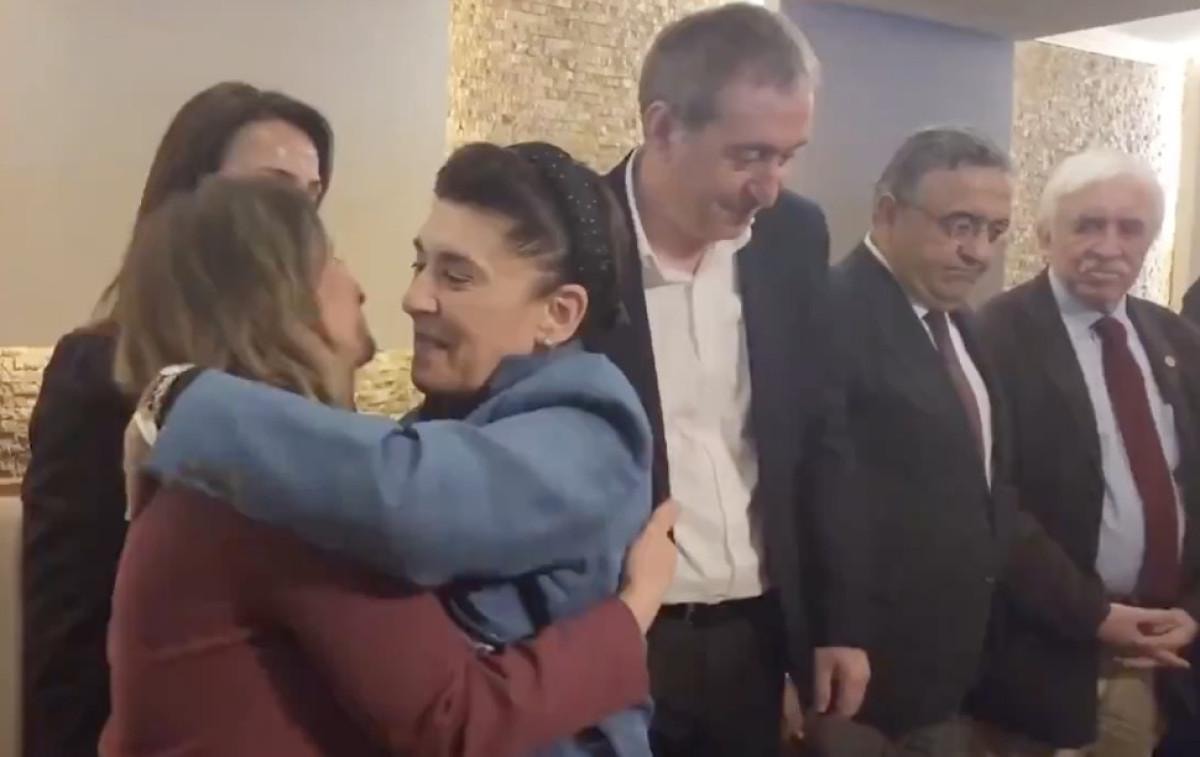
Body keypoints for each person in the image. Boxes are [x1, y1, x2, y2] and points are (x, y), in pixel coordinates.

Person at [102, 175, 678, 756]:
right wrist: (629, 616)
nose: (408, 296)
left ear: (559, 313)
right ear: (276, 299)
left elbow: (410, 492)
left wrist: (186, 401)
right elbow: (458, 718)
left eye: (456, 275)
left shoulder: (584, 421)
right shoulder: (278, 489)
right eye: (331, 259)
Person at [806, 131, 1187, 757]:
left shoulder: (956, 323)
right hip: (868, 680)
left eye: (993, 230)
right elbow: (814, 497)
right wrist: (824, 638)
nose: (978, 251)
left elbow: (985, 496)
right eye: (959, 226)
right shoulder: (832, 314)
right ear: (887, 213)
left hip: (953, 675)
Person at [20, 80, 337, 757]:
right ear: (189, 205)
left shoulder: (309, 385)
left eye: (311, 199)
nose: (300, 224)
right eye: (274, 192)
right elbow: (68, 632)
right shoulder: (99, 371)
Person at [590, 5, 869, 754]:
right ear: (663, 128)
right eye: (748, 155)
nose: (768, 187)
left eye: (787, 156)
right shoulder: (571, 236)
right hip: (616, 630)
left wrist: (837, 622)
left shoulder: (793, 235)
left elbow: (821, 436)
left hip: (756, 634)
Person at [971, 149, 1200, 756]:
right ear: (1045, 235)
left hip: (1168, 654)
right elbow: (991, 504)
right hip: (1042, 660)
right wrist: (1094, 615)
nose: (1108, 246)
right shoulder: (991, 338)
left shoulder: (1178, 340)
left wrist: (1192, 610)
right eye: (1088, 225)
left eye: (1130, 228)